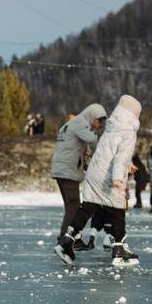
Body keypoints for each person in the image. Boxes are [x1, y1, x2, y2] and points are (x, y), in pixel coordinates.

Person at [56, 95, 142, 266]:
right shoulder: (128, 132)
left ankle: (67, 241)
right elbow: (120, 158)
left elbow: (108, 153)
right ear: (134, 115)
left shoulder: (111, 127)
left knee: (88, 206)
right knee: (118, 209)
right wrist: (118, 177)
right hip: (110, 176)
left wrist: (127, 165)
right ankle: (118, 250)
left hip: (95, 174)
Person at [50, 103, 107, 251]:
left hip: (63, 169)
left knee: (72, 206)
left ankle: (74, 238)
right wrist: (100, 155)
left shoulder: (76, 123)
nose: (98, 125)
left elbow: (82, 146)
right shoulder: (80, 123)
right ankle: (65, 239)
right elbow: (92, 140)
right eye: (98, 121)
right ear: (92, 117)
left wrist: (87, 160)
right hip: (67, 170)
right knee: (73, 205)